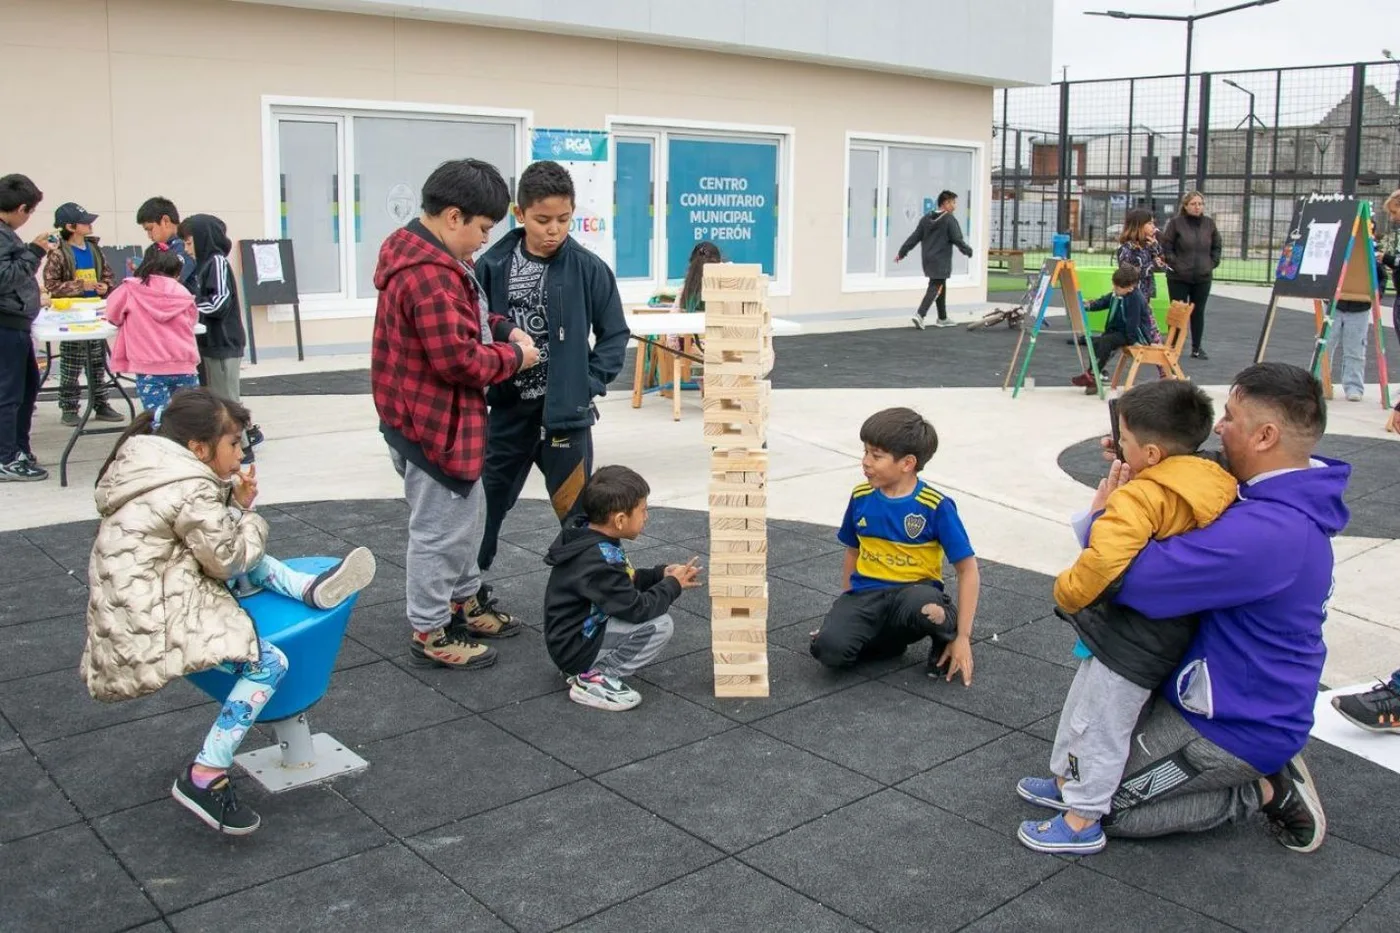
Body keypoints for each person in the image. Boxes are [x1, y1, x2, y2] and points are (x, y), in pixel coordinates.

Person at [1020, 363, 1346, 854]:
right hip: (1206, 690)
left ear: (1264, 436)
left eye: (1230, 418)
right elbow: (1205, 466)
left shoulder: (1271, 534)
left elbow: (1129, 578)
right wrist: (1159, 457)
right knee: (1089, 768)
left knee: (1105, 805)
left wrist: (1117, 510)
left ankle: (1263, 789)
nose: (1219, 428)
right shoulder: (1273, 489)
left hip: (1236, 723)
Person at [81, 388, 376, 835]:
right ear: (199, 448)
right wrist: (248, 514)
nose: (241, 452)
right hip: (156, 618)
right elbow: (227, 559)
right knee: (268, 663)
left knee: (244, 553)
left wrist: (233, 509)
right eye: (234, 443)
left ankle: (311, 590)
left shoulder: (153, 473)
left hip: (146, 600)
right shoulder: (191, 487)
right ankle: (204, 774)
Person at [1016, 380, 1236, 855]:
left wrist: (1067, 590)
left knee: (1099, 723)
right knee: (1086, 709)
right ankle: (1064, 779)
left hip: (1133, 635)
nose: (1119, 449)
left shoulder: (1140, 496)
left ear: (1152, 453)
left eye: (1126, 443)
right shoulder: (1216, 478)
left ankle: (1082, 818)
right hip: (1160, 631)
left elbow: (1103, 558)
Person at [372, 158, 539, 671]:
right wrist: (517, 357)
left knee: (468, 517)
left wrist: (503, 327)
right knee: (440, 532)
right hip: (432, 427)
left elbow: (466, 316)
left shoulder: (439, 260)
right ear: (452, 216)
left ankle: (463, 600)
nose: (485, 240)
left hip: (444, 422)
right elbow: (459, 359)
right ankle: (429, 628)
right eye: (484, 229)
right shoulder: (427, 275)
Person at [474, 159, 630, 611]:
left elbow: (614, 334)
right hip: (507, 414)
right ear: (519, 214)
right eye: (543, 220)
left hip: (566, 419)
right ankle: (466, 594)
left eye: (564, 219)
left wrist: (587, 383)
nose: (554, 230)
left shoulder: (588, 268)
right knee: (483, 509)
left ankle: (591, 598)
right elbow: (476, 326)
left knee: (581, 517)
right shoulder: (492, 264)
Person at [809, 407, 979, 683]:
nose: (866, 461)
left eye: (876, 456)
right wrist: (845, 607)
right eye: (865, 452)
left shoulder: (935, 506)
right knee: (828, 651)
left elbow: (967, 570)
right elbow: (853, 550)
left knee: (926, 609)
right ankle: (886, 642)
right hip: (868, 593)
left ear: (907, 463)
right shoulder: (861, 496)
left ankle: (944, 635)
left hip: (913, 595)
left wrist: (963, 636)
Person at [542, 465, 702, 710]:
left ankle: (588, 670)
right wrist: (673, 586)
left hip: (575, 637)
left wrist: (660, 574)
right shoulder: (597, 559)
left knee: (655, 617)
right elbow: (636, 609)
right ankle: (594, 679)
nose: (646, 516)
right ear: (619, 520)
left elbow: (625, 581)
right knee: (659, 625)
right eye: (643, 510)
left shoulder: (592, 539)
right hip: (574, 648)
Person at [179, 214, 255, 459]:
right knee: (218, 398)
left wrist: (190, 308)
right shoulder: (204, 264)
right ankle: (230, 444)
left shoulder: (217, 262)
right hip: (210, 343)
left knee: (227, 400)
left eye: (189, 243)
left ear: (203, 239)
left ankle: (243, 447)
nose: (187, 249)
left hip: (223, 342)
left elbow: (220, 301)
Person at [0, 173, 57, 482]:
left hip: (15, 324)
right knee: (9, 394)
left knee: (24, 389)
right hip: (6, 326)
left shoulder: (6, 233)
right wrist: (35, 251)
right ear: (22, 208)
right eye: (31, 211)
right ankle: (6, 457)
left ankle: (17, 449)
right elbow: (4, 277)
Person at [43, 202, 121, 425]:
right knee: (71, 364)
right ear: (70, 226)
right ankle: (69, 407)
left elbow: (108, 276)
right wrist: (80, 287)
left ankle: (101, 403)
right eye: (84, 221)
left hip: (95, 313)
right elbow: (51, 285)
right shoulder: (58, 253)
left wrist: (105, 287)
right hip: (71, 315)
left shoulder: (95, 249)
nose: (90, 225)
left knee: (97, 362)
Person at [105, 243, 201, 411]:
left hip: (149, 367)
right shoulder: (183, 292)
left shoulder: (130, 289)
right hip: (184, 364)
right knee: (189, 417)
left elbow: (113, 315)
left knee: (157, 418)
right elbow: (192, 321)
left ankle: (160, 436)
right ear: (177, 273)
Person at [896, 190, 973, 330]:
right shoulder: (949, 219)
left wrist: (902, 252)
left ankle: (942, 318)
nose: (955, 206)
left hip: (927, 259)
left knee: (940, 284)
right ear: (945, 203)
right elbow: (957, 239)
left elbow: (914, 237)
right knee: (936, 286)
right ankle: (920, 315)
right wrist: (968, 251)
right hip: (941, 259)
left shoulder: (925, 219)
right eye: (953, 202)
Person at [1160, 191, 1221, 360]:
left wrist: (1212, 263)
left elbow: (1217, 245)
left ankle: (1196, 347)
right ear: (1185, 206)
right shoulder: (1175, 223)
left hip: (1202, 276)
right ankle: (1173, 346)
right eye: (1193, 204)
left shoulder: (1209, 224)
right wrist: (1176, 264)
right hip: (1178, 277)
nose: (1197, 207)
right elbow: (1167, 247)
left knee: (1198, 311)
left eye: (1200, 204)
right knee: (1178, 311)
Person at [1071, 264, 1151, 394]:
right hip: (1119, 331)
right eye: (1114, 285)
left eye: (1117, 287)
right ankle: (1094, 378)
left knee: (1106, 342)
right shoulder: (1118, 293)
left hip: (1134, 335)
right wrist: (1087, 306)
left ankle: (1091, 375)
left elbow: (1133, 324)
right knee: (1096, 342)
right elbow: (1103, 302)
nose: (1114, 289)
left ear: (1130, 287)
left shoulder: (1135, 299)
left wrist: (1134, 342)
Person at [1115, 208, 1165, 346]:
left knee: (1151, 337)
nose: (1153, 227)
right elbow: (1129, 274)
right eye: (1149, 223)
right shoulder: (1126, 249)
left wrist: (1156, 248)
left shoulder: (1147, 247)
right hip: (1132, 300)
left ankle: (1165, 367)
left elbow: (1161, 267)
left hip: (1144, 299)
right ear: (1138, 226)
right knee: (1124, 337)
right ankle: (1166, 367)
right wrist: (1151, 265)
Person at [135, 196, 195, 291]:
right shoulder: (159, 249)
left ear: (165, 221)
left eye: (150, 229)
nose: (149, 236)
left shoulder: (184, 247)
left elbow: (169, 286)